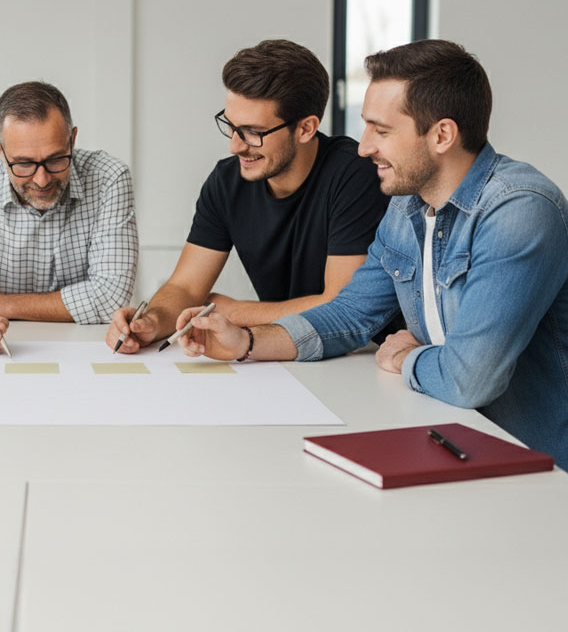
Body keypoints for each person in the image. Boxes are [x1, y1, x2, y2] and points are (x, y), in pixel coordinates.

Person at [176, 39, 568, 469]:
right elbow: (349, 314)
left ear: (442, 135)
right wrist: (247, 343)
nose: (363, 147)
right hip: (453, 444)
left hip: (539, 469)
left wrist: (405, 358)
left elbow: (470, 379)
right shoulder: (407, 206)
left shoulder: (519, 210)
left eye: (381, 131)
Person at [107, 39, 388, 353]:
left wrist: (236, 312)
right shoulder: (227, 182)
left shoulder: (356, 175)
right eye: (231, 126)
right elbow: (186, 286)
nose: (236, 146)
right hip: (275, 353)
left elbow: (341, 305)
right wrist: (152, 322)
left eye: (254, 132)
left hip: (359, 360)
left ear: (306, 128)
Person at [0, 81, 137, 355]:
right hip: (1, 348)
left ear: (72, 140)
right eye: (24, 164)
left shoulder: (109, 177)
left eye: (57, 159)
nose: (42, 179)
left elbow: (111, 296)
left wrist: (2, 304)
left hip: (88, 349)